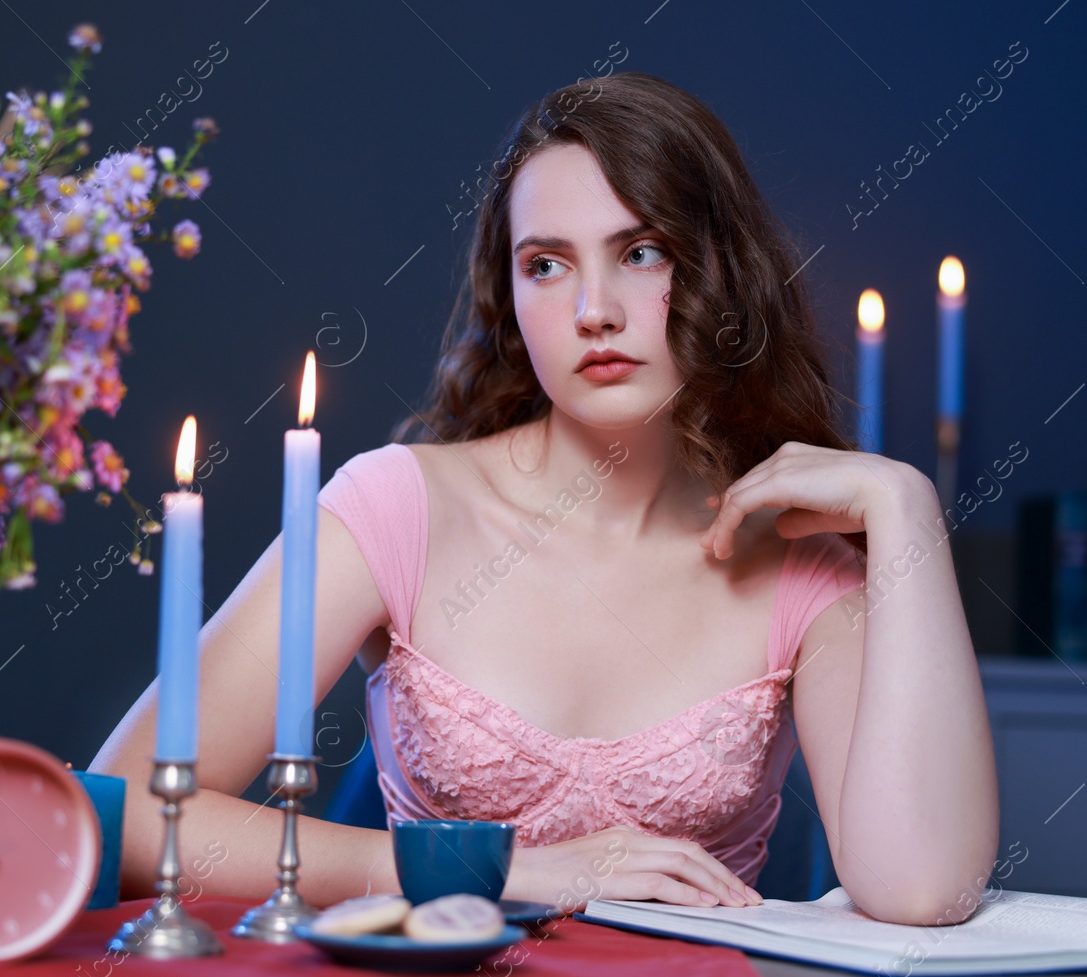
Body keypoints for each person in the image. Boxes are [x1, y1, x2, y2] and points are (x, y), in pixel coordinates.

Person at [91, 71, 999, 923]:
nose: (593, 308)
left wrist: (907, 509)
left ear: (722, 272)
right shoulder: (398, 508)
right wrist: (492, 867)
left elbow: (922, 888)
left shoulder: (799, 564)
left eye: (641, 252)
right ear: (512, 297)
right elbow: (129, 812)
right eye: (547, 264)